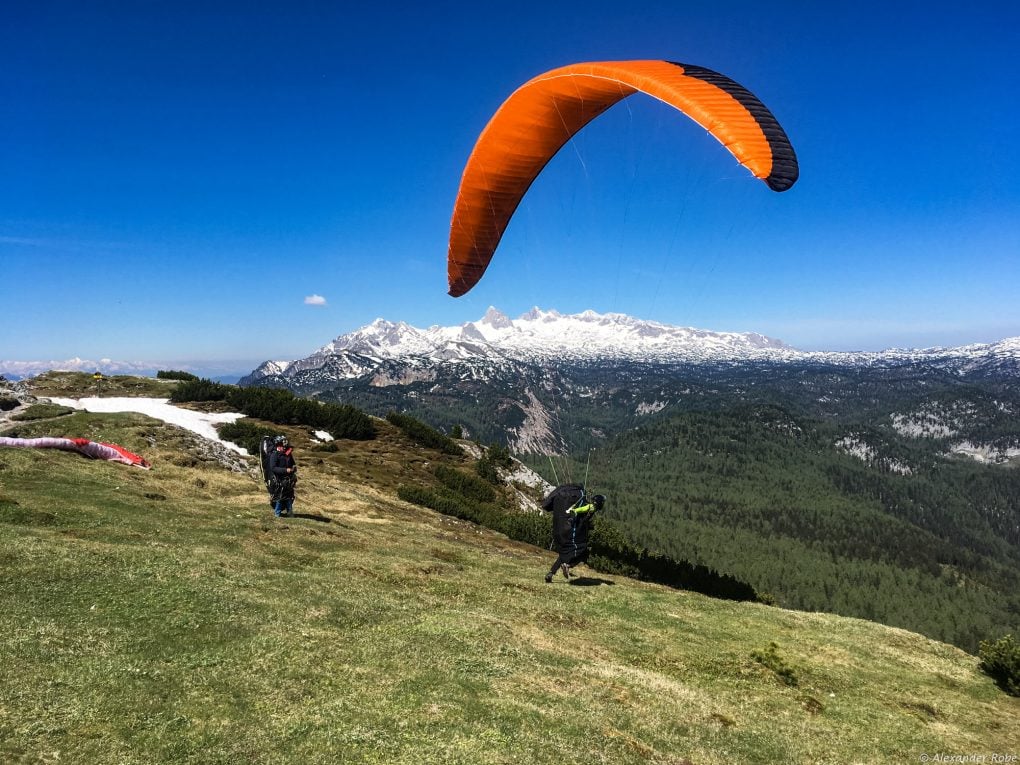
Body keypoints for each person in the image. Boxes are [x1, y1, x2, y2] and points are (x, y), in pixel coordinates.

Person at [542, 483, 605, 582]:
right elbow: (583, 512)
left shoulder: (589, 506)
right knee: (582, 551)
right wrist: (574, 511)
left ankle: (551, 573)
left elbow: (584, 518)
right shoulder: (591, 507)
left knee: (564, 553)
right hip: (573, 532)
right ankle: (567, 565)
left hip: (564, 529)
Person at [268, 435, 298, 517]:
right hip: (279, 478)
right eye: (282, 444)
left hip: (289, 478)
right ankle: (277, 513)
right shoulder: (274, 455)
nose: (284, 446)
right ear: (278, 444)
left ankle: (289, 512)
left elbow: (292, 463)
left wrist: (293, 468)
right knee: (280, 496)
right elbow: (273, 468)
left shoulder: (288, 454)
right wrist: (285, 470)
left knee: (289, 496)